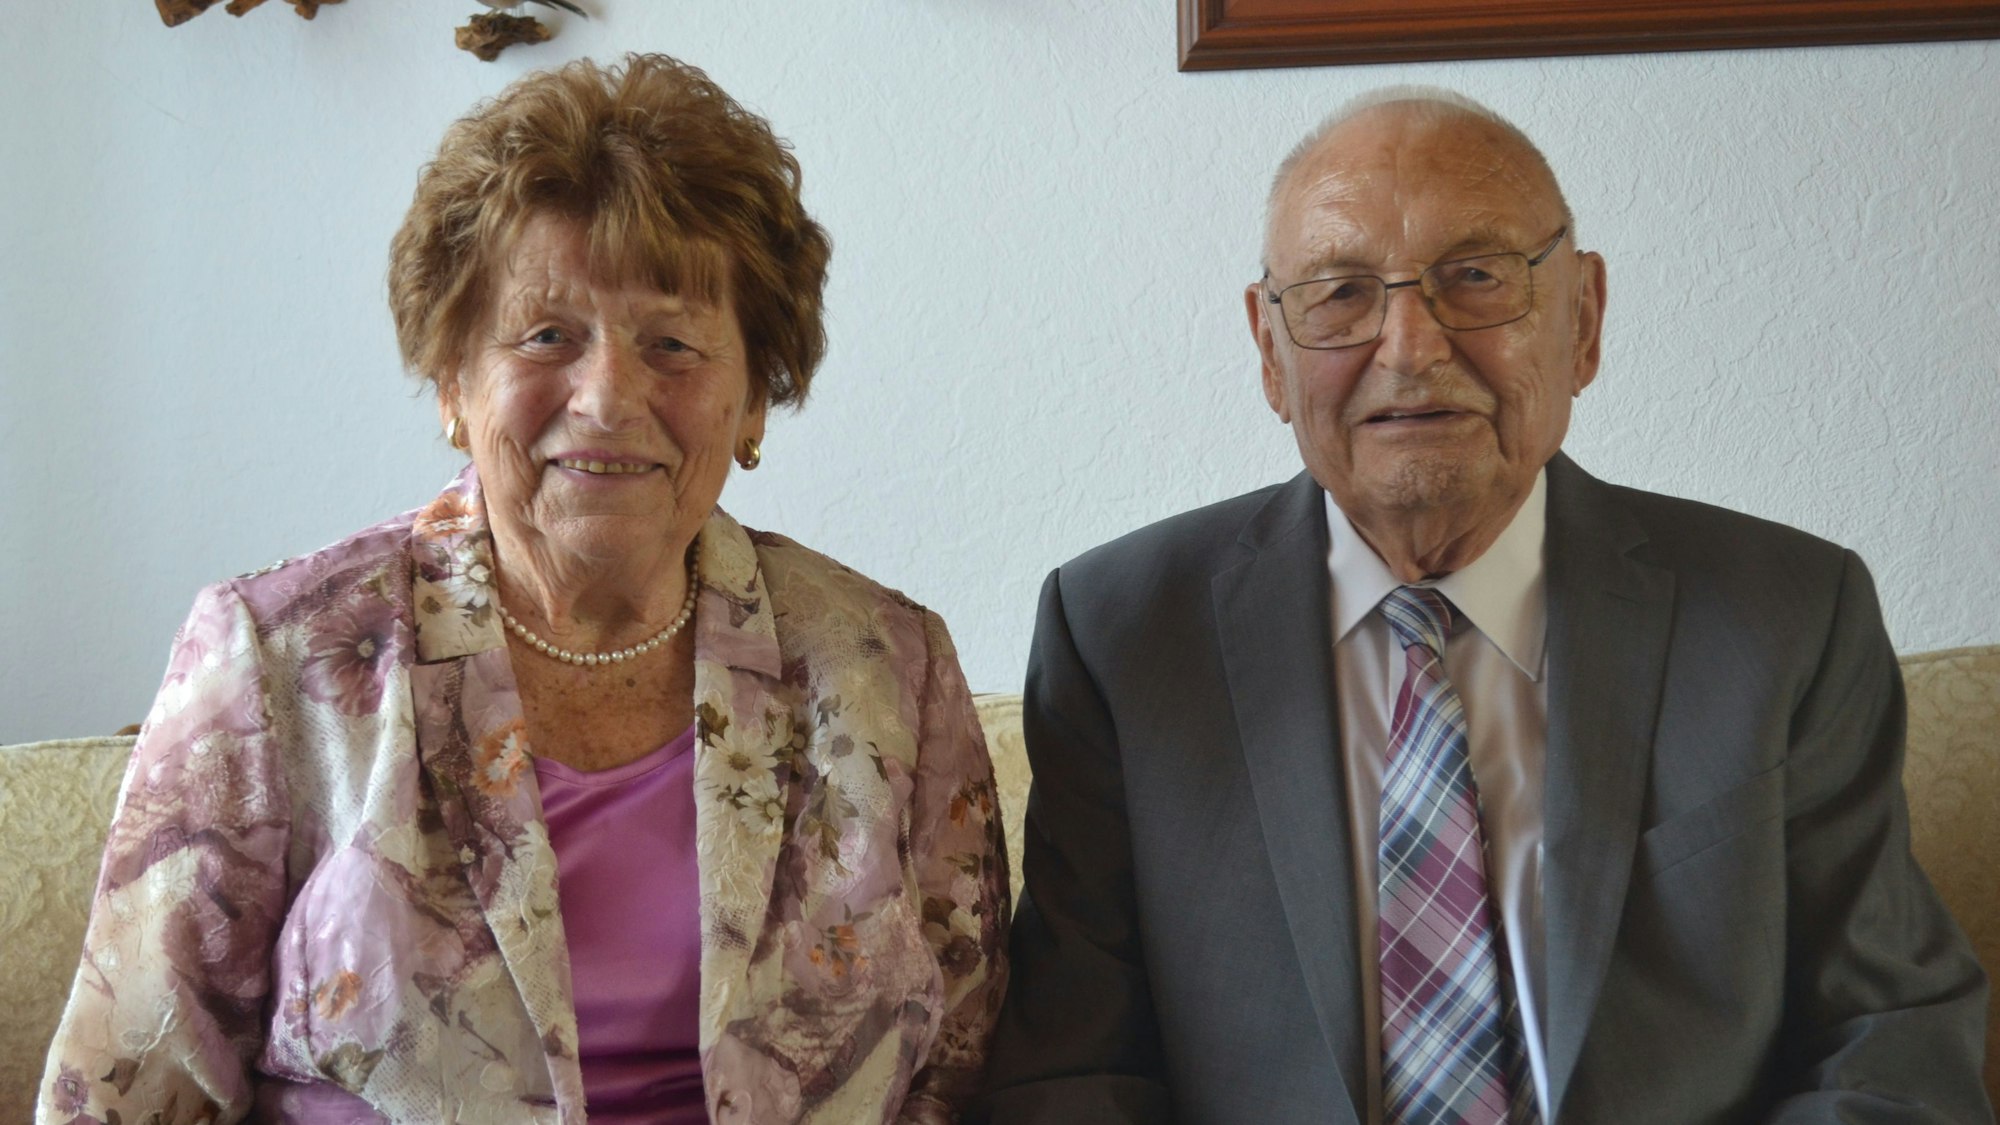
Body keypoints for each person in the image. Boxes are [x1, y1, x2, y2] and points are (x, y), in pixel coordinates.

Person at [980, 90, 1990, 1124]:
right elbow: (1066, 1074)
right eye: (1340, 293)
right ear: (1269, 351)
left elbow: (1893, 1038)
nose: (1409, 346)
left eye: (1475, 277)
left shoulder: (1787, 617)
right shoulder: (1122, 637)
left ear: (1582, 319)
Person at [40, 53, 1008, 1125]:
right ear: (454, 381)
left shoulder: (887, 666)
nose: (608, 397)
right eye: (549, 336)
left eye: (673, 344)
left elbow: (965, 1068)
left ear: (751, 402)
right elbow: (125, 1093)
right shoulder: (274, 658)